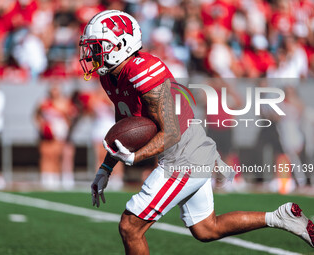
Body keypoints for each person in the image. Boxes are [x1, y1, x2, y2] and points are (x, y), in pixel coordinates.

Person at [80, 10, 314, 254]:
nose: (92, 54)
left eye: (98, 47)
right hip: (186, 150)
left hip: (183, 154)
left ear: (121, 45)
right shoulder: (111, 76)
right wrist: (106, 167)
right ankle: (280, 217)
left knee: (130, 226)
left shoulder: (143, 72)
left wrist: (135, 157)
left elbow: (171, 132)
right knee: (206, 229)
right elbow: (123, 129)